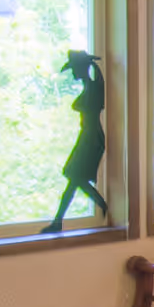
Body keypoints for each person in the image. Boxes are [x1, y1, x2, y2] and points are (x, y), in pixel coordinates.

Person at [42, 50, 109, 234]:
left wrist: (93, 65)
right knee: (73, 178)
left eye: (75, 69)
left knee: (74, 177)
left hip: (91, 138)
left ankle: (102, 206)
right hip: (86, 136)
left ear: (82, 68)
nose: (73, 73)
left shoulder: (94, 88)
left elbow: (81, 104)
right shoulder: (89, 87)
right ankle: (58, 221)